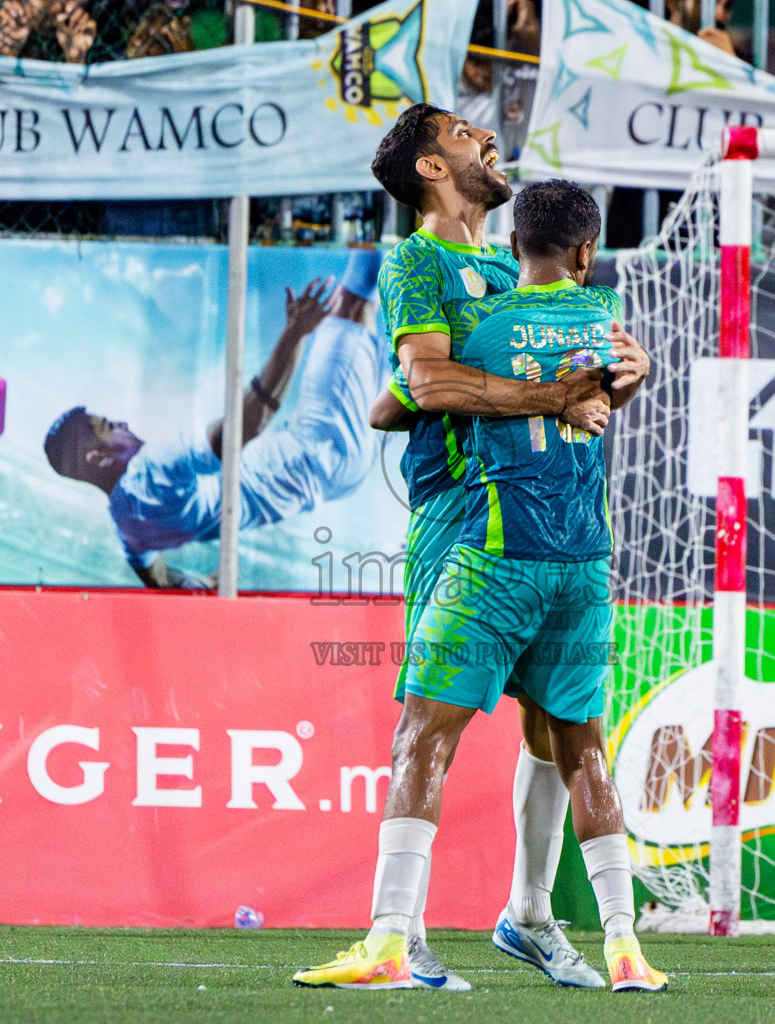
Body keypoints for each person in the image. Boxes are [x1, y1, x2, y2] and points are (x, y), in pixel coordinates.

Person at [293, 179, 663, 993]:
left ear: (520, 245)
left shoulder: (489, 314)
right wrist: (596, 384)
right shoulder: (433, 269)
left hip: (493, 548)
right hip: (565, 553)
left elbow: (400, 403)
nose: (485, 143)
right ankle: (606, 940)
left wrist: (494, 382)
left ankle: (497, 919)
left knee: (434, 732)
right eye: (467, 136)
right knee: (573, 741)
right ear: (586, 253)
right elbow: (430, 392)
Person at [43, 251, 386, 588]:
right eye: (109, 427)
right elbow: (242, 429)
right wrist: (295, 332)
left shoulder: (128, 527)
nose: (123, 423)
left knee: (392, 342)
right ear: (98, 458)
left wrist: (203, 585)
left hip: (331, 476)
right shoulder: (151, 470)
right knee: (354, 300)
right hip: (322, 445)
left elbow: (158, 577)